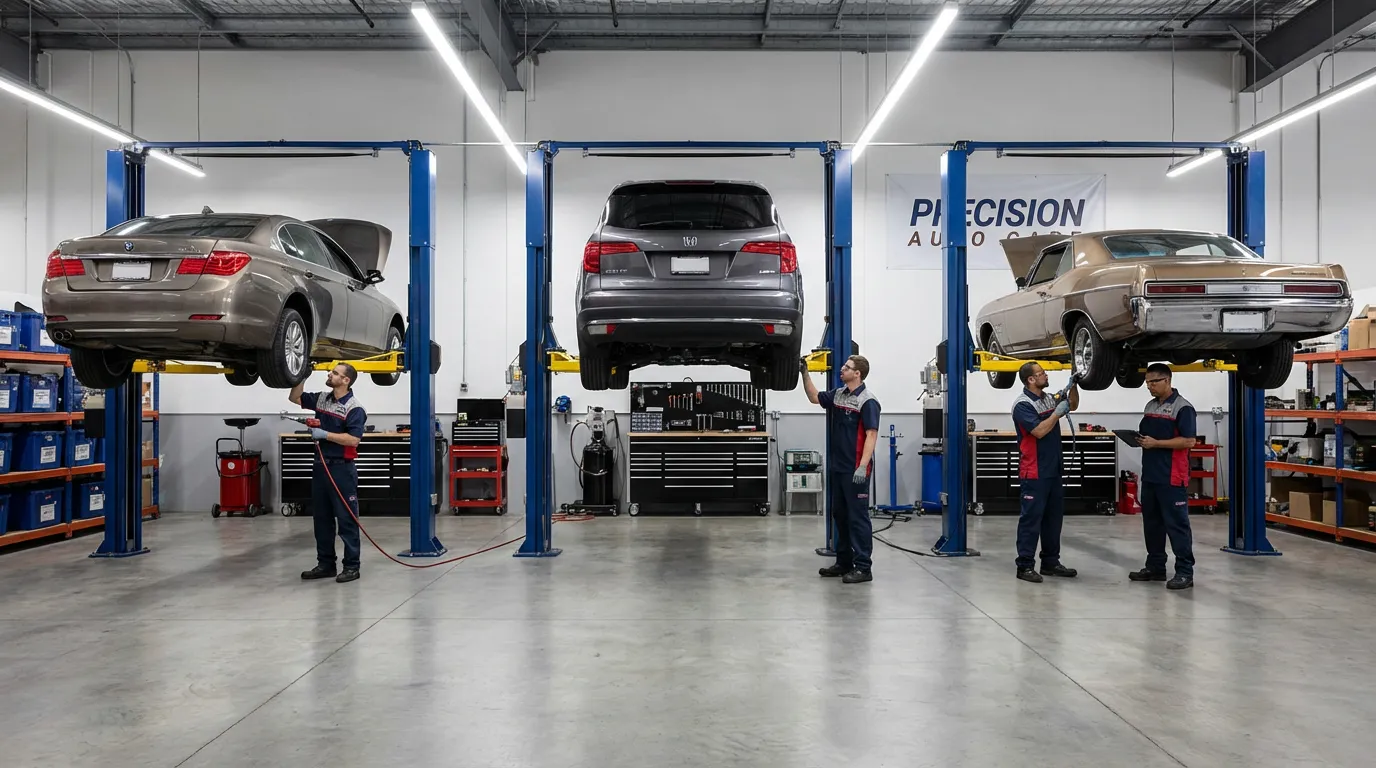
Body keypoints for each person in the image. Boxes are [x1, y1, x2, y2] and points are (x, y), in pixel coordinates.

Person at [801, 354, 880, 584]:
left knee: (858, 518)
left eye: (847, 367)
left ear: (858, 374)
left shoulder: (868, 401)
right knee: (841, 516)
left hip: (856, 471)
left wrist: (862, 466)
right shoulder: (838, 394)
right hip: (839, 468)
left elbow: (871, 434)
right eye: (843, 366)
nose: (842, 369)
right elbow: (814, 398)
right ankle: (844, 562)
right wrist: (805, 373)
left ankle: (864, 567)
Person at [290, 363, 367, 584]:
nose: (329, 374)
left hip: (342, 468)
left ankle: (352, 567)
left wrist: (325, 434)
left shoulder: (354, 408)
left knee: (346, 519)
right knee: (321, 519)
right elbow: (295, 397)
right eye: (330, 371)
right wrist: (300, 376)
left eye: (335, 373)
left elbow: (353, 439)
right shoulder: (322, 398)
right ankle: (326, 564)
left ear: (346, 381)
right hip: (321, 466)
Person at [1012, 362, 1079, 583]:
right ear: (1031, 380)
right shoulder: (1022, 405)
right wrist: (1057, 414)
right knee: (1031, 520)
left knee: (1053, 520)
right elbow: (1039, 431)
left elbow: (1073, 405)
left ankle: (1050, 562)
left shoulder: (1048, 398)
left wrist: (1074, 385)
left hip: (1053, 469)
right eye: (1041, 374)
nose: (1045, 375)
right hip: (1034, 471)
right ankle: (1025, 566)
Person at [1133, 363, 1197, 591]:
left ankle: (1184, 572)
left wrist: (1156, 443)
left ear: (1167, 381)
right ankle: (1156, 567)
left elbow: (1189, 441)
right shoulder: (1150, 406)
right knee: (1152, 525)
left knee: (1177, 526)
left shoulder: (1183, 408)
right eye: (1147, 382)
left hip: (1172, 477)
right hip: (1151, 475)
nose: (1149, 386)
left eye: (1154, 382)